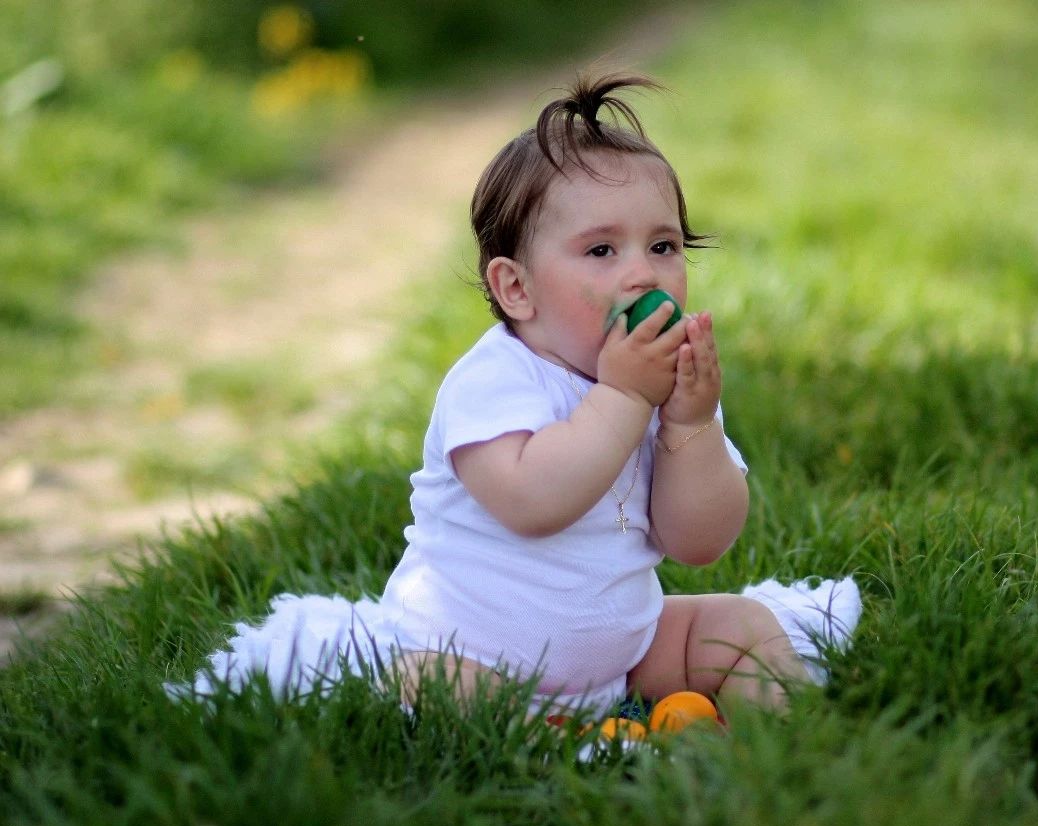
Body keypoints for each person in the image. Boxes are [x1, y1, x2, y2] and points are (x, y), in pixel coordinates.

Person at [177, 72, 860, 721]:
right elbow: (534, 503)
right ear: (516, 290)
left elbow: (700, 541)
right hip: (470, 652)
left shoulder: (663, 383)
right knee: (439, 686)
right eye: (600, 252)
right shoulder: (494, 382)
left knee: (740, 625)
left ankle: (781, 750)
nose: (640, 273)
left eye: (662, 245)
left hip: (619, 660)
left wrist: (690, 423)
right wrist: (624, 399)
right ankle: (559, 746)